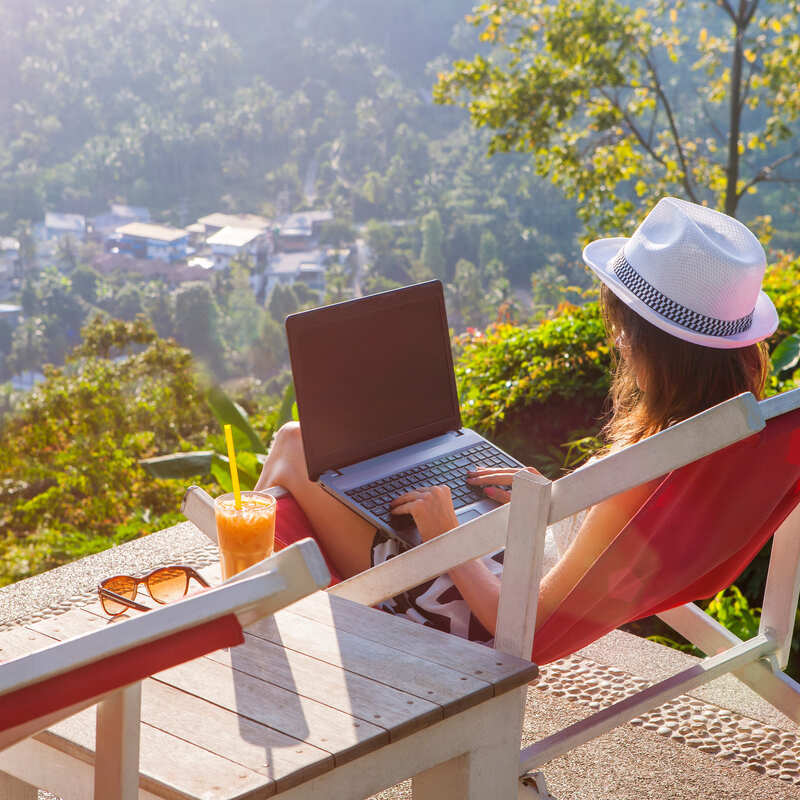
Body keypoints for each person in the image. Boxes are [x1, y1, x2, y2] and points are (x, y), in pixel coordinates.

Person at [255, 197, 778, 643]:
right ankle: (255, 582)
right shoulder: (727, 442)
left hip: (462, 615)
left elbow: (521, 627)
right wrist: (553, 501)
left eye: (624, 331)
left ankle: (242, 603)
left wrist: (446, 538)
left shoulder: (641, 477)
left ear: (654, 348)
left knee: (294, 445)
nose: (618, 343)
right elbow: (613, 546)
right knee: (322, 457)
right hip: (510, 562)